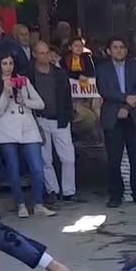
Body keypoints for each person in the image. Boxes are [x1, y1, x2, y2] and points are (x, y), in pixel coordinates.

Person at [0, 53, 54, 218]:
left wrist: (24, 101)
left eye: (10, 63)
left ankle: (38, 203)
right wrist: (6, 93)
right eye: (4, 63)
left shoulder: (23, 80)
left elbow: (40, 103)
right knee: (13, 168)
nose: (8, 66)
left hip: (27, 127)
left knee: (37, 168)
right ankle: (20, 204)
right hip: (7, 129)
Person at [96, 36, 136, 208]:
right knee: (114, 159)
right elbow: (105, 90)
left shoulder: (135, 67)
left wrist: (127, 106)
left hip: (133, 116)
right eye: (115, 47)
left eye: (122, 47)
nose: (119, 50)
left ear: (126, 50)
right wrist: (125, 98)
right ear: (109, 50)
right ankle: (115, 194)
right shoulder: (103, 69)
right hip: (113, 118)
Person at [31, 41, 77, 204]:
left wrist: (68, 116)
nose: (45, 56)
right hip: (39, 120)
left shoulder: (59, 73)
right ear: (35, 54)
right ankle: (52, 190)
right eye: (41, 53)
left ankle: (69, 191)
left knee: (68, 158)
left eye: (47, 53)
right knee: (45, 159)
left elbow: (67, 97)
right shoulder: (28, 74)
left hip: (60, 119)